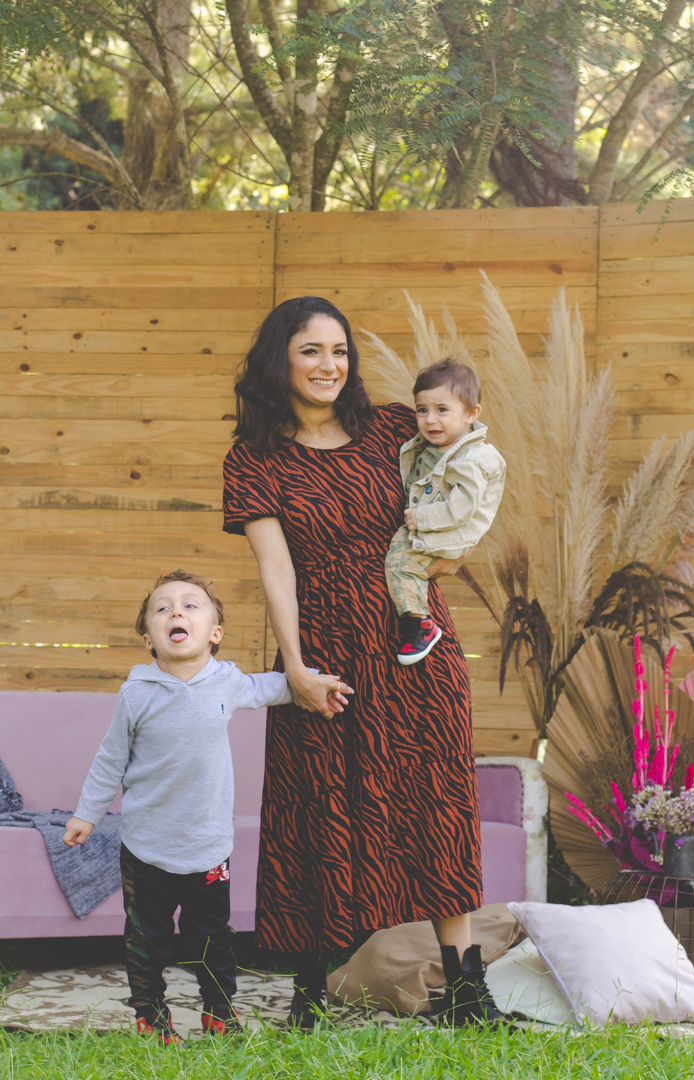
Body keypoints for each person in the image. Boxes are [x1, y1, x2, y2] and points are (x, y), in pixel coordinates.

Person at [223, 296, 511, 1027]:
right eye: (311, 350)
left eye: (340, 351)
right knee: (314, 807)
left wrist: (449, 557)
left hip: (413, 644)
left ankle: (466, 988)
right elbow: (275, 570)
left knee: (437, 801)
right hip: (324, 648)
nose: (329, 365)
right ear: (279, 359)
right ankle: (309, 992)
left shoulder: (392, 427)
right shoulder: (254, 455)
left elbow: (467, 484)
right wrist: (293, 667)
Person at [62, 569, 350, 1042]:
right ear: (147, 639)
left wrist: (313, 683)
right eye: (162, 608)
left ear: (214, 633)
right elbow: (109, 759)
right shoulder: (137, 693)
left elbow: (276, 687)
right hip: (146, 846)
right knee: (147, 940)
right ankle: (150, 1015)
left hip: (208, 846)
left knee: (213, 938)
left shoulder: (227, 681)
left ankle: (218, 1010)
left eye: (190, 605)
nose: (176, 611)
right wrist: (86, 814)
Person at [385, 358, 506, 666]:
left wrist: (422, 518)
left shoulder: (472, 459)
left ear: (471, 414)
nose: (429, 420)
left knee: (401, 562)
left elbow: (463, 507)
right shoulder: (434, 447)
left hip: (447, 529)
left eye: (442, 410)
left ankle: (419, 624)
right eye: (422, 410)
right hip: (436, 524)